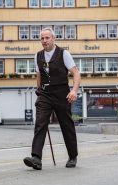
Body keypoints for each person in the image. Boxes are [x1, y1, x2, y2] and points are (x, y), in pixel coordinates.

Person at [23, 27, 81, 170]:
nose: (44, 41)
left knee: (66, 125)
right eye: (42, 38)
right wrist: (39, 90)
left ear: (53, 39)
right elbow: (39, 75)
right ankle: (36, 158)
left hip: (62, 93)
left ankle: (72, 156)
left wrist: (74, 90)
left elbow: (76, 73)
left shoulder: (63, 54)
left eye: (47, 38)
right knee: (40, 123)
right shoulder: (37, 56)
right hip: (45, 94)